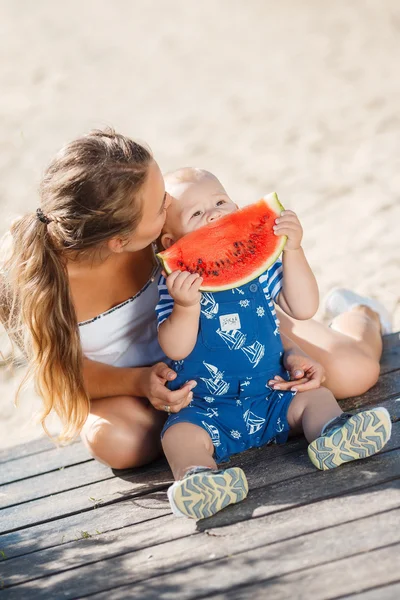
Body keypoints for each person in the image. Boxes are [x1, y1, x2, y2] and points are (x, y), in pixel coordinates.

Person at [0, 128, 391, 475]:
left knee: (354, 373)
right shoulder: (30, 282)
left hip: (226, 333)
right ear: (119, 241)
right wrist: (139, 382)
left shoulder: (159, 230)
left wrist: (287, 349)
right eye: (159, 207)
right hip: (135, 386)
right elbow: (64, 374)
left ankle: (360, 312)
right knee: (121, 443)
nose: (169, 206)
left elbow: (234, 274)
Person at [156, 167, 392, 519]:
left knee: (316, 396)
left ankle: (334, 434)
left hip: (274, 392)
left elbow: (303, 307)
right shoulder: (175, 286)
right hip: (205, 409)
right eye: (196, 213)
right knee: (178, 436)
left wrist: (293, 250)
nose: (214, 214)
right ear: (169, 244)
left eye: (220, 201)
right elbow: (175, 348)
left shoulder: (261, 269)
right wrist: (186, 306)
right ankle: (199, 479)